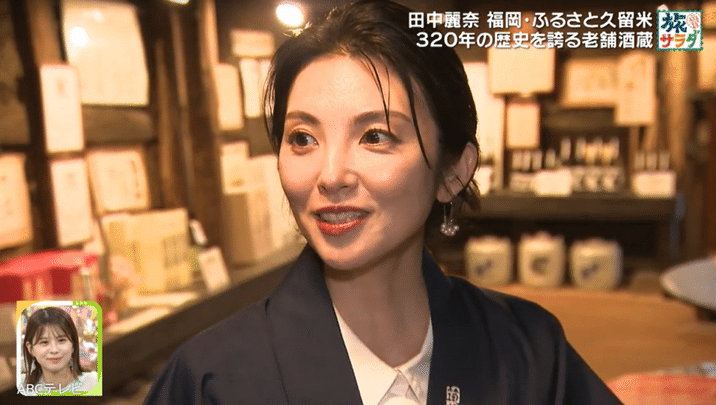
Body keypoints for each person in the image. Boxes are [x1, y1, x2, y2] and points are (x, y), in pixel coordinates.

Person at [145, 1, 622, 403]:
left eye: (375, 135)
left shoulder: (528, 351)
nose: (331, 176)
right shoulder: (212, 380)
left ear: (453, 172)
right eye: (303, 138)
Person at [19, 306, 97, 396]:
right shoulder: (22, 386)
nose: (54, 350)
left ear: (73, 345)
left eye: (61, 340)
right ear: (30, 349)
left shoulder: (94, 382)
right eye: (44, 342)